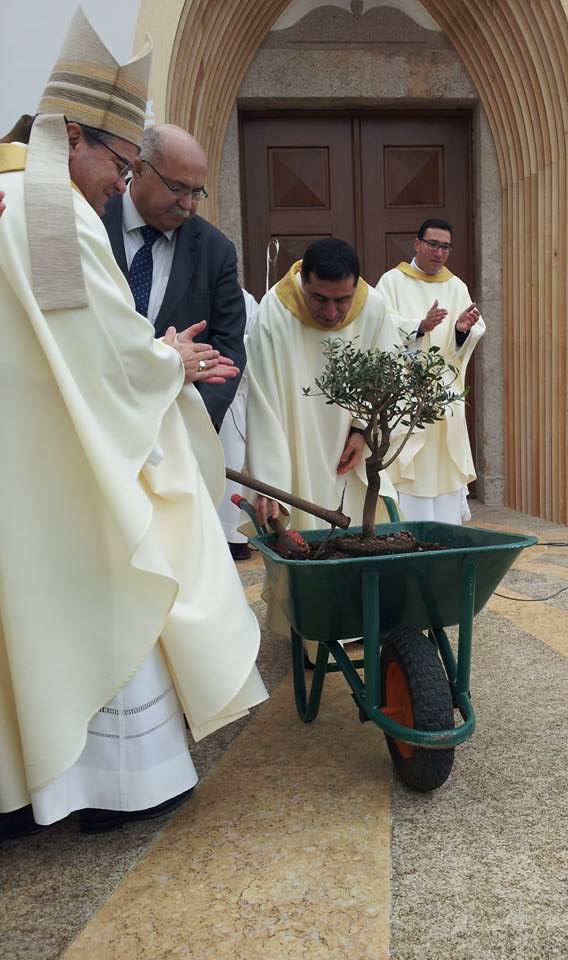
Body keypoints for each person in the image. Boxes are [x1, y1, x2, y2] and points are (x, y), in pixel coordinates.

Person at [0, 8, 266, 841]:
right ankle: (116, 786)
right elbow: (103, 352)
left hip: (29, 445)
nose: (119, 184)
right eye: (119, 164)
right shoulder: (53, 212)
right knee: (115, 584)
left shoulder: (15, 191)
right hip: (65, 460)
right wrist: (171, 362)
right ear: (74, 135)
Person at [244, 237, 400, 637]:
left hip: (350, 451)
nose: (332, 313)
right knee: (302, 537)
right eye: (320, 299)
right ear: (303, 283)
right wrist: (269, 483)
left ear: (356, 287)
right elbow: (261, 399)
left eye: (343, 300)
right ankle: (311, 632)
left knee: (366, 532)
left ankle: (364, 623)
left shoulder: (374, 307)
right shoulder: (274, 312)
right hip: (294, 446)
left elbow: (386, 373)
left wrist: (364, 430)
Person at [101, 124, 245, 433]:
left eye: (196, 192)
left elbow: (227, 349)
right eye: (177, 188)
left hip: (175, 429)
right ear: (139, 168)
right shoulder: (91, 219)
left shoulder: (215, 251)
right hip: (95, 415)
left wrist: (196, 425)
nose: (188, 204)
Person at [375, 218, 485, 523]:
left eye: (446, 247)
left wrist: (462, 330)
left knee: (444, 468)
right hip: (406, 397)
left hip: (444, 400)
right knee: (408, 464)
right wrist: (418, 327)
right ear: (417, 244)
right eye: (433, 244)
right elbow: (380, 325)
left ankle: (446, 532)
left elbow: (468, 338)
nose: (439, 253)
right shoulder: (392, 282)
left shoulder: (456, 286)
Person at [219, 288, 259, 561]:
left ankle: (237, 536)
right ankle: (222, 535)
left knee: (237, 461)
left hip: (240, 393)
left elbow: (256, 343)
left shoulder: (245, 299)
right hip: (210, 387)